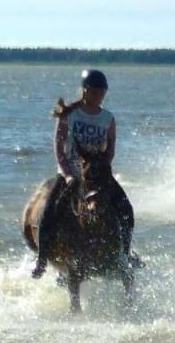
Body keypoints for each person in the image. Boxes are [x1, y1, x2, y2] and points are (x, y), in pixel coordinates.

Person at [31, 68, 135, 278]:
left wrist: (102, 169)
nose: (98, 96)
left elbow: (111, 147)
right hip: (70, 173)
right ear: (85, 91)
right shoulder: (69, 115)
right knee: (49, 212)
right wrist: (68, 174)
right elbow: (59, 149)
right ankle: (42, 260)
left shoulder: (108, 118)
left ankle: (125, 253)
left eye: (102, 93)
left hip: (97, 175)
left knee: (126, 209)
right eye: (95, 92)